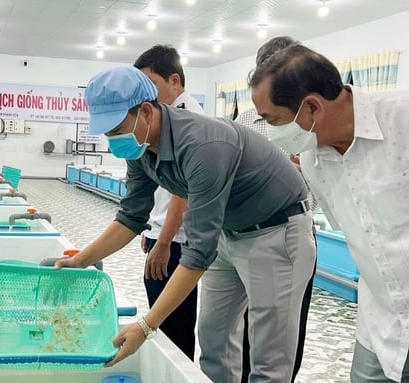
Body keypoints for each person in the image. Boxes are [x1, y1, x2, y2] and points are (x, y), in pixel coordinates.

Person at [55, 66, 317, 382]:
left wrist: (146, 325)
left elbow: (197, 255)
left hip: (277, 230)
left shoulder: (202, 145)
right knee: (213, 337)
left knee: (268, 357)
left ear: (146, 112)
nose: (112, 140)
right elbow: (131, 216)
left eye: (115, 129)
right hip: (229, 232)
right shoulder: (140, 149)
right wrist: (80, 261)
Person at [249, 43, 409, 383]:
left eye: (273, 121)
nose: (273, 133)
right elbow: (355, 232)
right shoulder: (313, 161)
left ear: (311, 106)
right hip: (381, 330)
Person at [233, 35, 315, 383]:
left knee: (285, 328)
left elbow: (317, 196)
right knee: (247, 323)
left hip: (292, 229)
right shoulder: (245, 121)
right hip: (246, 234)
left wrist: (301, 174)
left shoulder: (311, 121)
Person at [132, 44, 203, 361]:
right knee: (166, 323)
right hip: (163, 235)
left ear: (175, 81)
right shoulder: (164, 121)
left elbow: (183, 193)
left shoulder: (190, 122)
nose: (146, 98)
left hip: (177, 241)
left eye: (152, 87)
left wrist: (162, 242)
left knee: (175, 327)